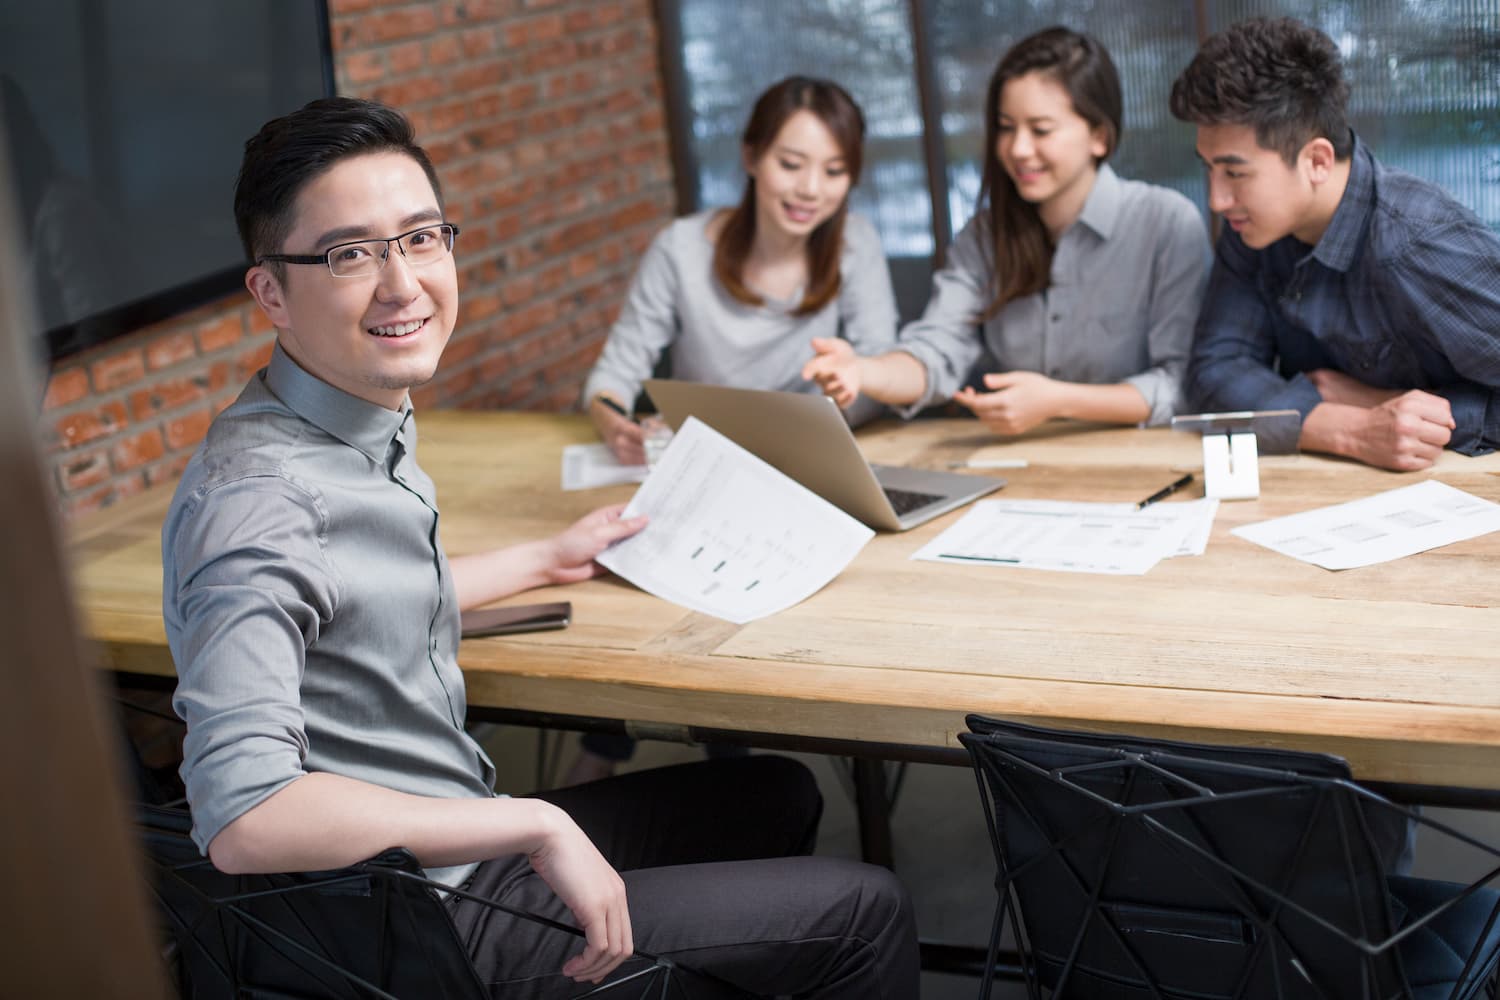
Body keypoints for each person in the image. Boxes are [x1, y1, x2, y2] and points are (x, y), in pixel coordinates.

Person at [162, 96, 918, 998]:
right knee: (865, 910)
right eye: (349, 254)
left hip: (455, 839)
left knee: (775, 792)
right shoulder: (260, 501)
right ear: (271, 292)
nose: (401, 283)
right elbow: (245, 814)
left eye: (420, 238)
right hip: (421, 922)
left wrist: (544, 558)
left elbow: (352, 596)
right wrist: (535, 824)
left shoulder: (344, 423)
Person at [803, 27, 1208, 436]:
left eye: (1041, 129)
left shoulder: (1167, 223)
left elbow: (1184, 385)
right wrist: (863, 370)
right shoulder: (984, 237)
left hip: (1143, 465)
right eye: (1006, 127)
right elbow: (937, 350)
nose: (1017, 149)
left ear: (1099, 137)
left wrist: (1058, 400)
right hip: (1020, 464)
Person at [1171, 16, 1500, 471]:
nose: (1216, 199)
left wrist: (1386, 404)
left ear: (1318, 162)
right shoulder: (1250, 229)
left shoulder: (1417, 240)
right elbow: (1215, 371)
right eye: (1208, 168)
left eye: (1235, 172)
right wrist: (1345, 427)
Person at [583, 75, 898, 464]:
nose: (811, 190)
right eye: (791, 164)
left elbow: (880, 373)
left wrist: (843, 397)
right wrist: (615, 424)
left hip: (810, 456)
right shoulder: (681, 248)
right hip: (704, 459)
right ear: (751, 157)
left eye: (834, 171)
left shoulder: (856, 243)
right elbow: (614, 374)